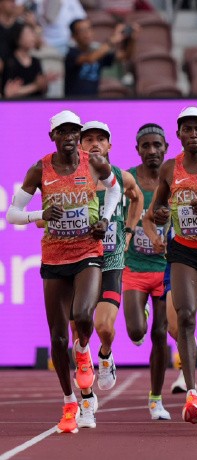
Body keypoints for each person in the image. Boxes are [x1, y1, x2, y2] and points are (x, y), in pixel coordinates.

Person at [7, 110, 120, 434]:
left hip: (88, 252)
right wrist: (40, 214)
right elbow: (13, 213)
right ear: (53, 137)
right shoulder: (39, 169)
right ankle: (71, 402)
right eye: (63, 131)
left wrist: (105, 218)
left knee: (83, 315)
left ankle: (82, 350)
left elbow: (114, 190)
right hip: (55, 258)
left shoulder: (93, 163)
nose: (69, 136)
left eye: (74, 131)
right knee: (57, 338)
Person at [143, 106, 197, 424]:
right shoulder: (169, 168)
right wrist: (160, 216)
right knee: (186, 316)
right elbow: (155, 211)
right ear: (178, 134)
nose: (193, 134)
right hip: (183, 251)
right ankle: (191, 394)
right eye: (187, 129)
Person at [78, 121, 142, 402]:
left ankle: (105, 354)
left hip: (111, 261)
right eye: (88, 139)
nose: (95, 144)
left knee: (104, 327)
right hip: (79, 261)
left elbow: (137, 199)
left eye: (100, 139)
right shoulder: (71, 179)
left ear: (109, 145)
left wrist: (128, 231)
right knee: (79, 331)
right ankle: (86, 395)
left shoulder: (121, 177)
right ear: (80, 145)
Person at [122, 123, 172, 420]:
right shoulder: (129, 181)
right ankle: (140, 312)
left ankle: (156, 398)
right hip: (135, 267)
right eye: (146, 146)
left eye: (157, 145)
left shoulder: (174, 179)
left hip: (166, 269)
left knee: (161, 332)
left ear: (166, 148)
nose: (152, 150)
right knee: (136, 332)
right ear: (138, 150)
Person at [64, 18, 135, 96]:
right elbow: (90, 58)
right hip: (73, 101)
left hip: (93, 100)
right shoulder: (71, 53)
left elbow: (124, 56)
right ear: (74, 36)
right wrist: (111, 41)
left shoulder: (98, 52)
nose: (87, 33)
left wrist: (131, 39)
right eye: (82, 31)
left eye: (89, 29)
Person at [1, 22, 54, 98]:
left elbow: (42, 87)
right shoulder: (10, 62)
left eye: (33, 34)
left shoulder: (36, 61)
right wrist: (35, 86)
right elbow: (9, 92)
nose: (32, 38)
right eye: (28, 34)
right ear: (17, 38)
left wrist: (44, 83)